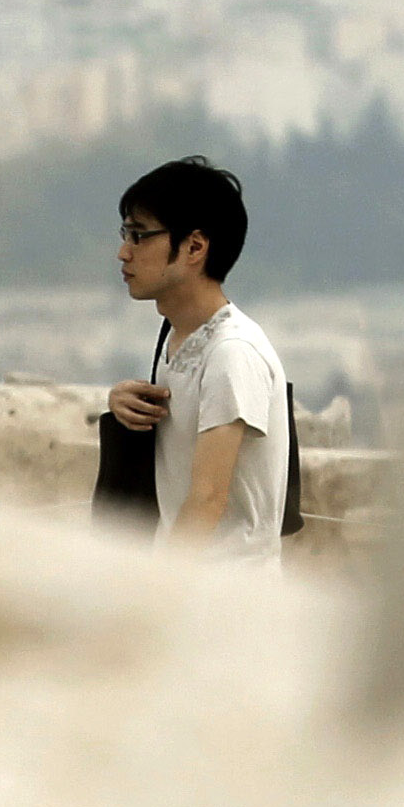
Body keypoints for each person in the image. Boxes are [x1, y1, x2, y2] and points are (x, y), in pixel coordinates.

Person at [103, 154, 289, 561]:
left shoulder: (232, 352)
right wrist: (121, 403)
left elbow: (207, 500)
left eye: (139, 236)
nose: (123, 252)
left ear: (194, 247)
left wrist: (155, 595)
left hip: (227, 599)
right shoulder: (178, 337)